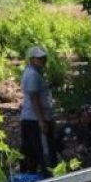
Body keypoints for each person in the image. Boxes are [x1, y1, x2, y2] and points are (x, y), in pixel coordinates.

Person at [18, 45, 56, 174]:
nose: (43, 61)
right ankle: (47, 177)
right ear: (32, 59)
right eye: (39, 58)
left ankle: (30, 175)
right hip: (35, 119)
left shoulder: (33, 73)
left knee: (31, 152)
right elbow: (34, 98)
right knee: (44, 152)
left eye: (44, 58)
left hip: (31, 118)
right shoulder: (32, 74)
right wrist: (42, 121)